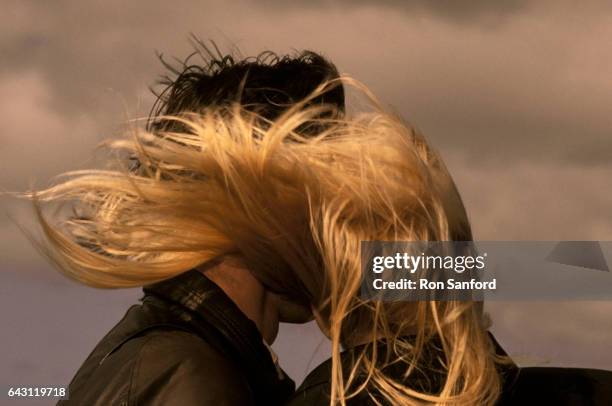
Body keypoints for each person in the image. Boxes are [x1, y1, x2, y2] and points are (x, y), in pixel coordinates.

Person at [20, 45, 346, 405]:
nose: (343, 222)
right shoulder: (190, 376)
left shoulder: (182, 359)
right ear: (255, 200)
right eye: (328, 192)